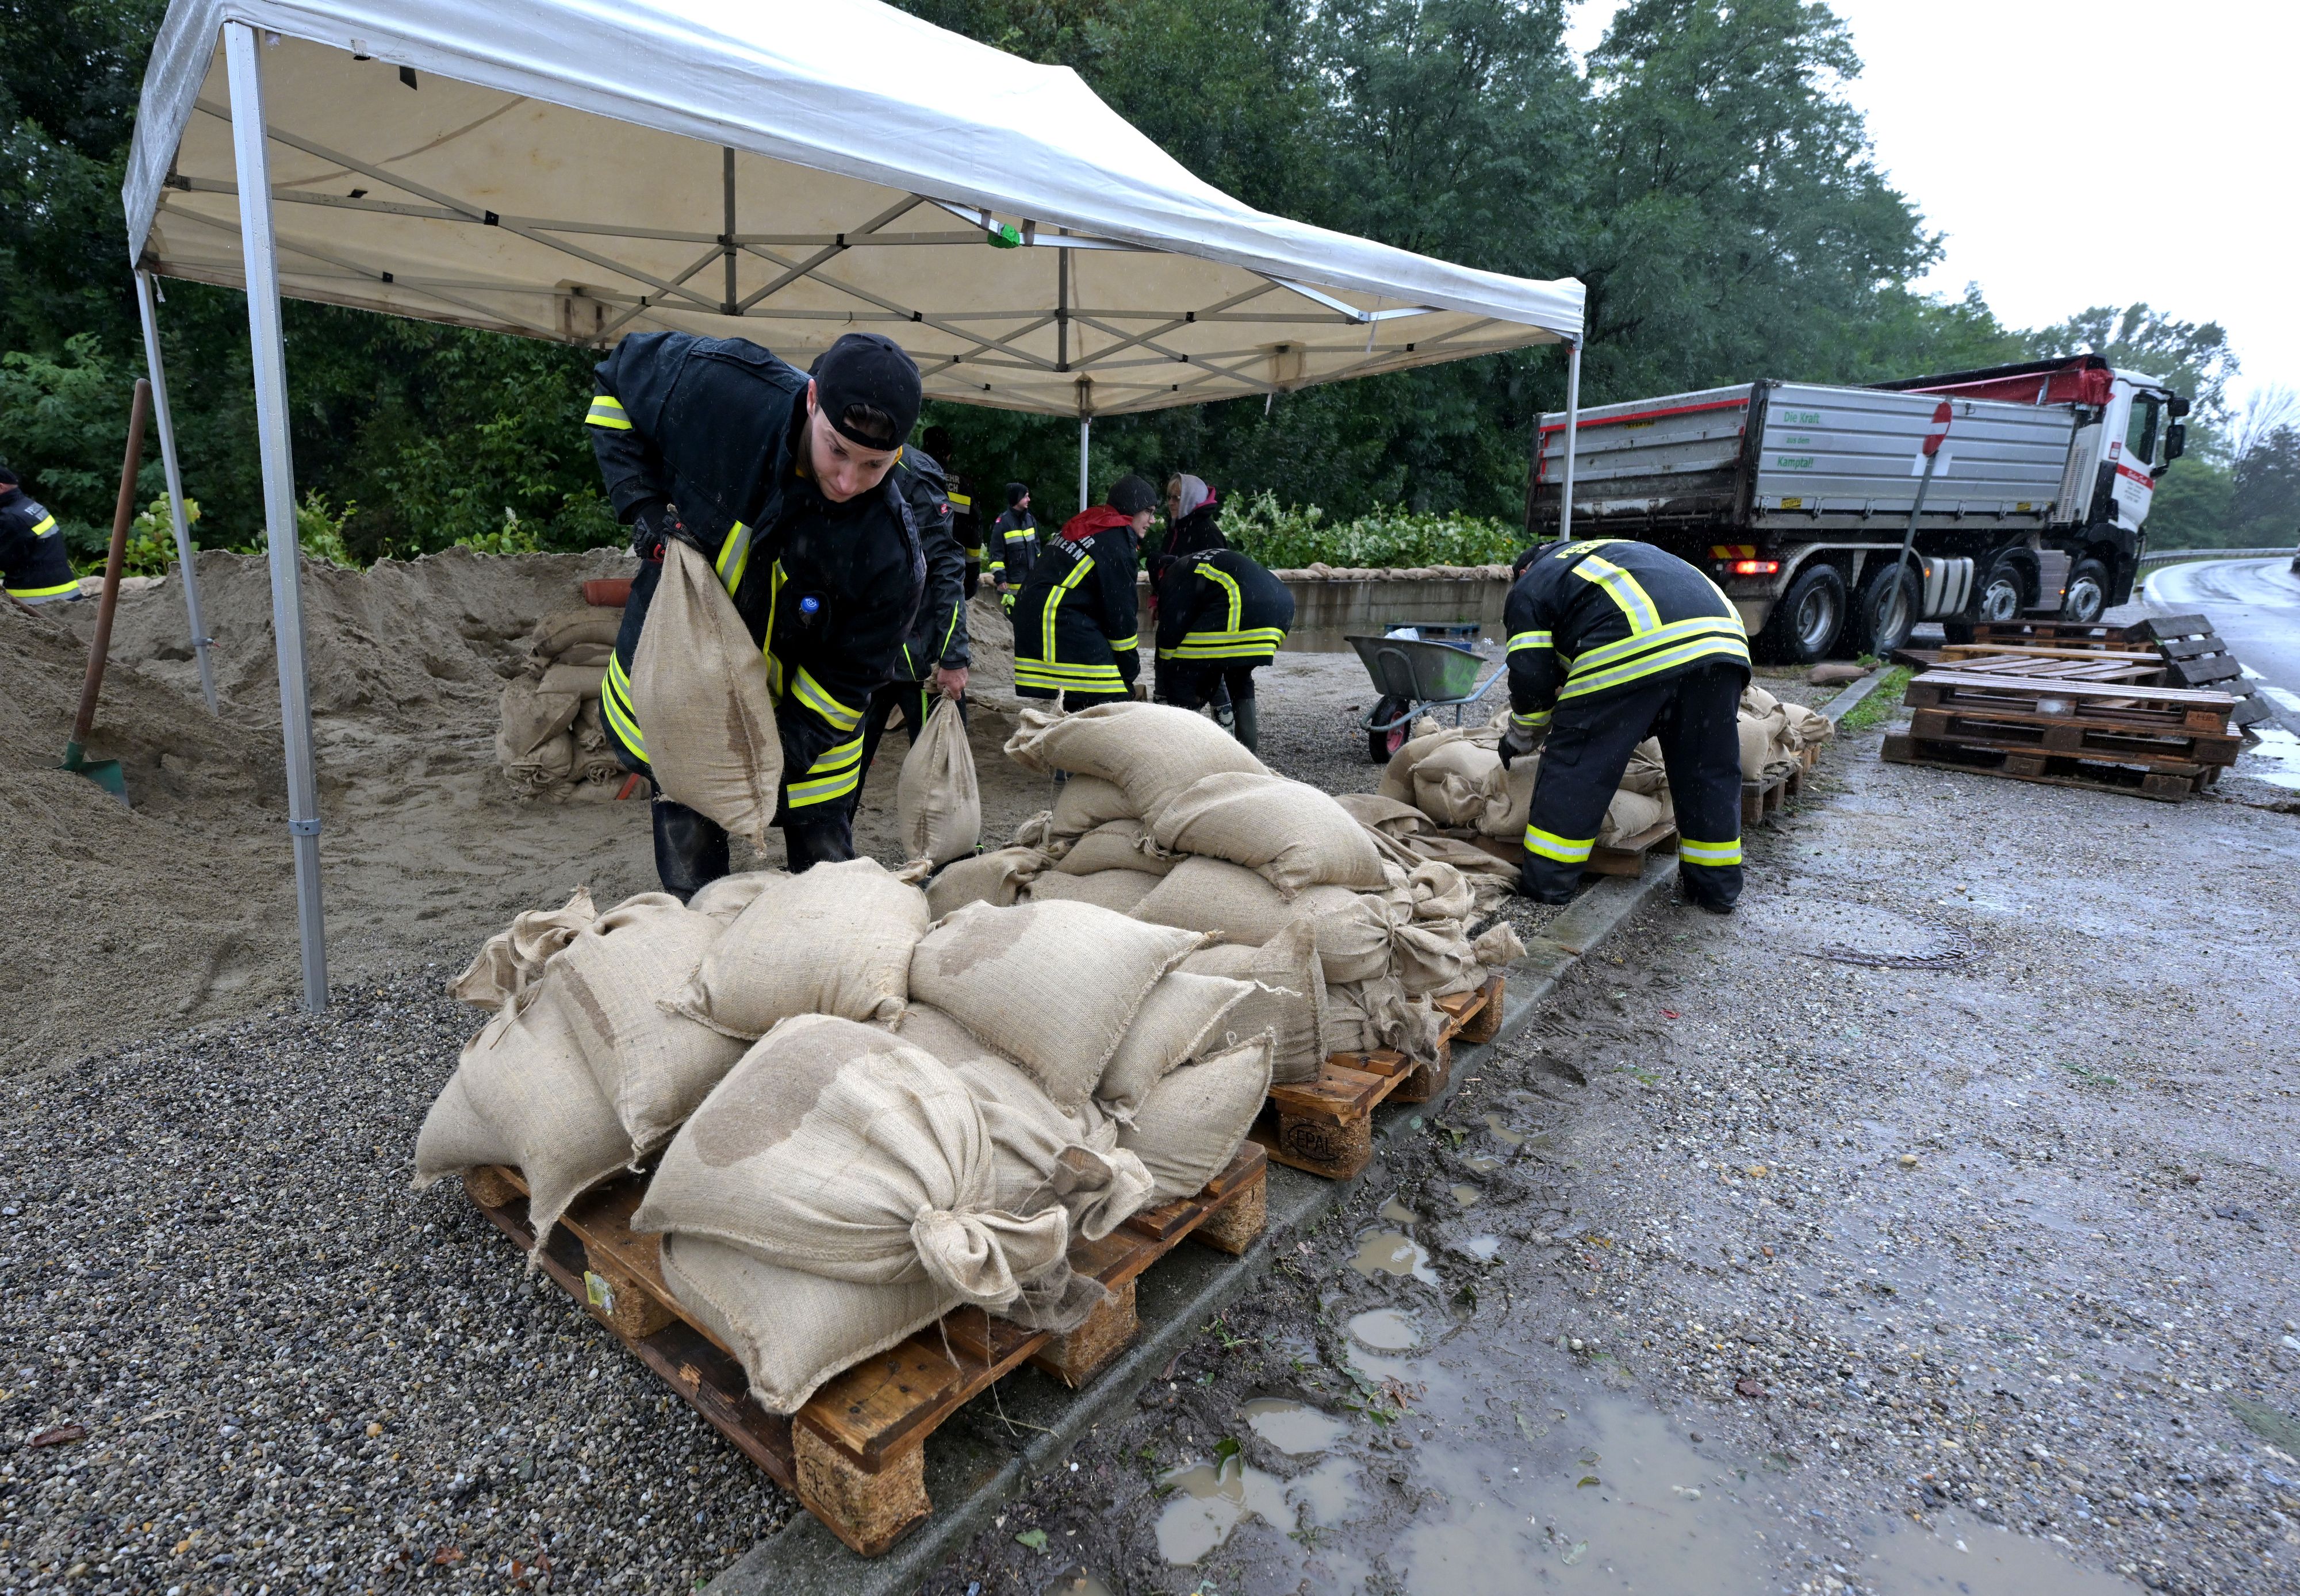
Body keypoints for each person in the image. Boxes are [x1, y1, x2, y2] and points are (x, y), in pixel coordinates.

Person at [586, 329, 926, 897]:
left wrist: (770, 764)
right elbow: (613, 388)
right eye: (836, 450)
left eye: (874, 466)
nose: (848, 482)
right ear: (812, 399)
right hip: (684, 695)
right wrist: (643, 507)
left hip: (805, 735)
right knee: (691, 870)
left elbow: (843, 687)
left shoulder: (889, 555)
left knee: (824, 878)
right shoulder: (719, 392)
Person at [1497, 537, 1750, 913]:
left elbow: (1532, 679)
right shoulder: (1605, 552)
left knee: (1578, 764)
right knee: (1707, 770)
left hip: (1637, 644)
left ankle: (1548, 886)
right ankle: (1716, 890)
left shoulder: (1532, 585)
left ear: (1523, 571)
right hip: (1724, 642)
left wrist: (1521, 735)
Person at [853, 439, 970, 793]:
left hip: (920, 663)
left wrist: (953, 657)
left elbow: (947, 567)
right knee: (840, 771)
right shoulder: (834, 460)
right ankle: (830, 847)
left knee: (940, 776)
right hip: (863, 658)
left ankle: (955, 850)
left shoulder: (914, 474)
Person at [1011, 474, 1155, 708]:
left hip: (1043, 615)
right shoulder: (1116, 543)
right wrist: (1129, 671)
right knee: (1111, 697)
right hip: (1059, 618)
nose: (1153, 520)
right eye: (1149, 511)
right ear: (1133, 508)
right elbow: (1120, 617)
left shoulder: (1093, 524)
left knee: (1084, 692)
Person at [1150, 542, 1294, 752]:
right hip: (1282, 606)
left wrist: (1168, 694)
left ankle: (1177, 752)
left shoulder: (1173, 578)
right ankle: (1248, 755)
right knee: (1239, 676)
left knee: (1181, 672)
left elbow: (1168, 641)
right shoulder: (1194, 564)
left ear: (1159, 577)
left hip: (1239, 604)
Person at [0, 468, 81, 606]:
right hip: (65, 594)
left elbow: (4, 558)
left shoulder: (11, 519)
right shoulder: (28, 506)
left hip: (38, 602)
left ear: (1, 487)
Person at [922, 425, 982, 590]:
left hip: (916, 565)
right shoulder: (964, 485)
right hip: (950, 571)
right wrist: (972, 575)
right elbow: (974, 533)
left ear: (924, 449)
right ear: (949, 454)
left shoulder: (916, 475)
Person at [984, 482, 1037, 613]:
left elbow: (1037, 549)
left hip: (1031, 585)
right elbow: (996, 555)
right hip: (1012, 588)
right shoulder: (1003, 523)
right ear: (1017, 499)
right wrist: (1001, 578)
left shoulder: (1030, 519)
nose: (1029, 500)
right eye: (1026, 496)